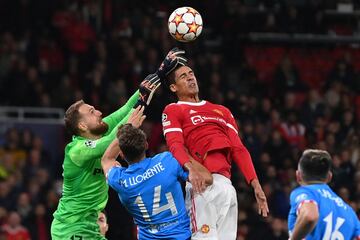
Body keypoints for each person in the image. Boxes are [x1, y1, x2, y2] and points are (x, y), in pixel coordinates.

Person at [160, 52, 269, 239]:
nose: (190, 77)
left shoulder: (222, 111)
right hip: (202, 184)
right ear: (173, 87)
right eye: (183, 76)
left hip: (227, 187)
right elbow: (175, 145)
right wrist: (190, 169)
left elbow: (238, 149)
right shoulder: (173, 110)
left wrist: (255, 183)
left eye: (191, 73)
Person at [50, 73, 161, 239]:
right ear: (82, 125)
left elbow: (124, 111)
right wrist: (129, 125)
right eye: (92, 112)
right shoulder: (75, 149)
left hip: (91, 226)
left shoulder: (97, 134)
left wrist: (147, 88)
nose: (99, 112)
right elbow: (109, 141)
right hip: (71, 228)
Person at [101, 123, 212, 240]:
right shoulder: (167, 161)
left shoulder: (119, 180)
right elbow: (207, 178)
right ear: (146, 145)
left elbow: (107, 158)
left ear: (121, 154)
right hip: (182, 236)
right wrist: (183, 153)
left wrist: (122, 135)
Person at [288, 149, 360, 240]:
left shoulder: (305, 192)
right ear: (329, 177)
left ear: (298, 176)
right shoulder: (350, 212)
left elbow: (310, 216)